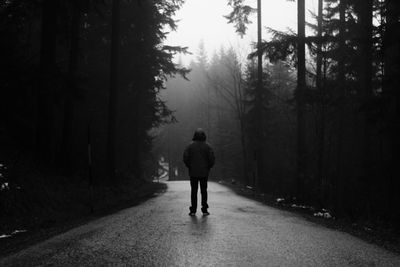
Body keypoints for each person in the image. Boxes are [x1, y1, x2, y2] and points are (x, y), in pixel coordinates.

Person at [183, 128, 215, 216]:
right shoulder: (208, 146)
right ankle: (204, 209)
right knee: (204, 191)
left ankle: (193, 210)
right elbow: (211, 159)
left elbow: (185, 157)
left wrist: (189, 166)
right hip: (204, 172)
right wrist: (208, 167)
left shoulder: (190, 146)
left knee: (194, 191)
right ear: (204, 136)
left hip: (193, 172)